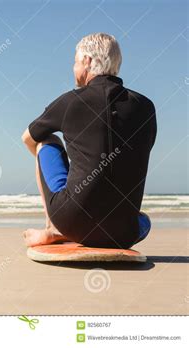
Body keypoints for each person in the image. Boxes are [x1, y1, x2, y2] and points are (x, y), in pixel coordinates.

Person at [21, 33, 156, 249]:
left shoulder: (70, 101)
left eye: (75, 62)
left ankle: (53, 228)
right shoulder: (146, 107)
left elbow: (27, 137)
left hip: (72, 222)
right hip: (124, 233)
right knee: (145, 221)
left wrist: (53, 166)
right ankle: (75, 228)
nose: (73, 68)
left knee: (44, 140)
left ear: (88, 61)